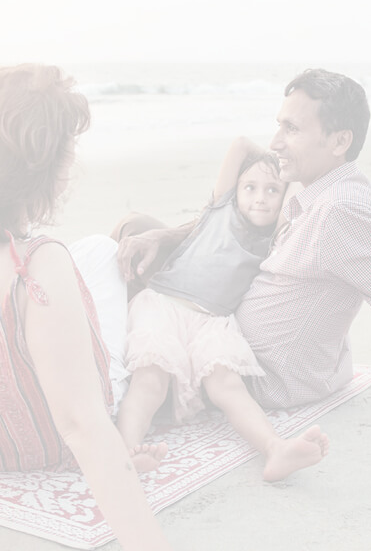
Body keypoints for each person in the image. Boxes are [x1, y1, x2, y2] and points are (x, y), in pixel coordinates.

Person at [0, 64, 173, 551]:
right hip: (48, 446)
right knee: (107, 257)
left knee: (92, 252)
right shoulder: (41, 266)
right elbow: (84, 428)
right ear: (42, 169)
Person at [115, 68, 371, 416]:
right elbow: (233, 201)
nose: (275, 142)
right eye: (279, 125)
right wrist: (164, 235)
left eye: (292, 128)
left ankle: (104, 372)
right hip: (225, 331)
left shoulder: (342, 210)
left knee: (124, 247)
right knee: (140, 229)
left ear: (340, 141)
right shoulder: (312, 188)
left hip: (249, 374)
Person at [116, 148, 329, 481]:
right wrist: (267, 159)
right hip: (164, 306)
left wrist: (287, 173)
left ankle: (275, 449)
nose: (260, 198)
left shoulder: (275, 235)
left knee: (227, 386)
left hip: (213, 322)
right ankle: (125, 455)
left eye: (272, 190)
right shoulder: (219, 210)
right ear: (235, 191)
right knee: (150, 381)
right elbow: (240, 145)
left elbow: (304, 187)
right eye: (250, 188)